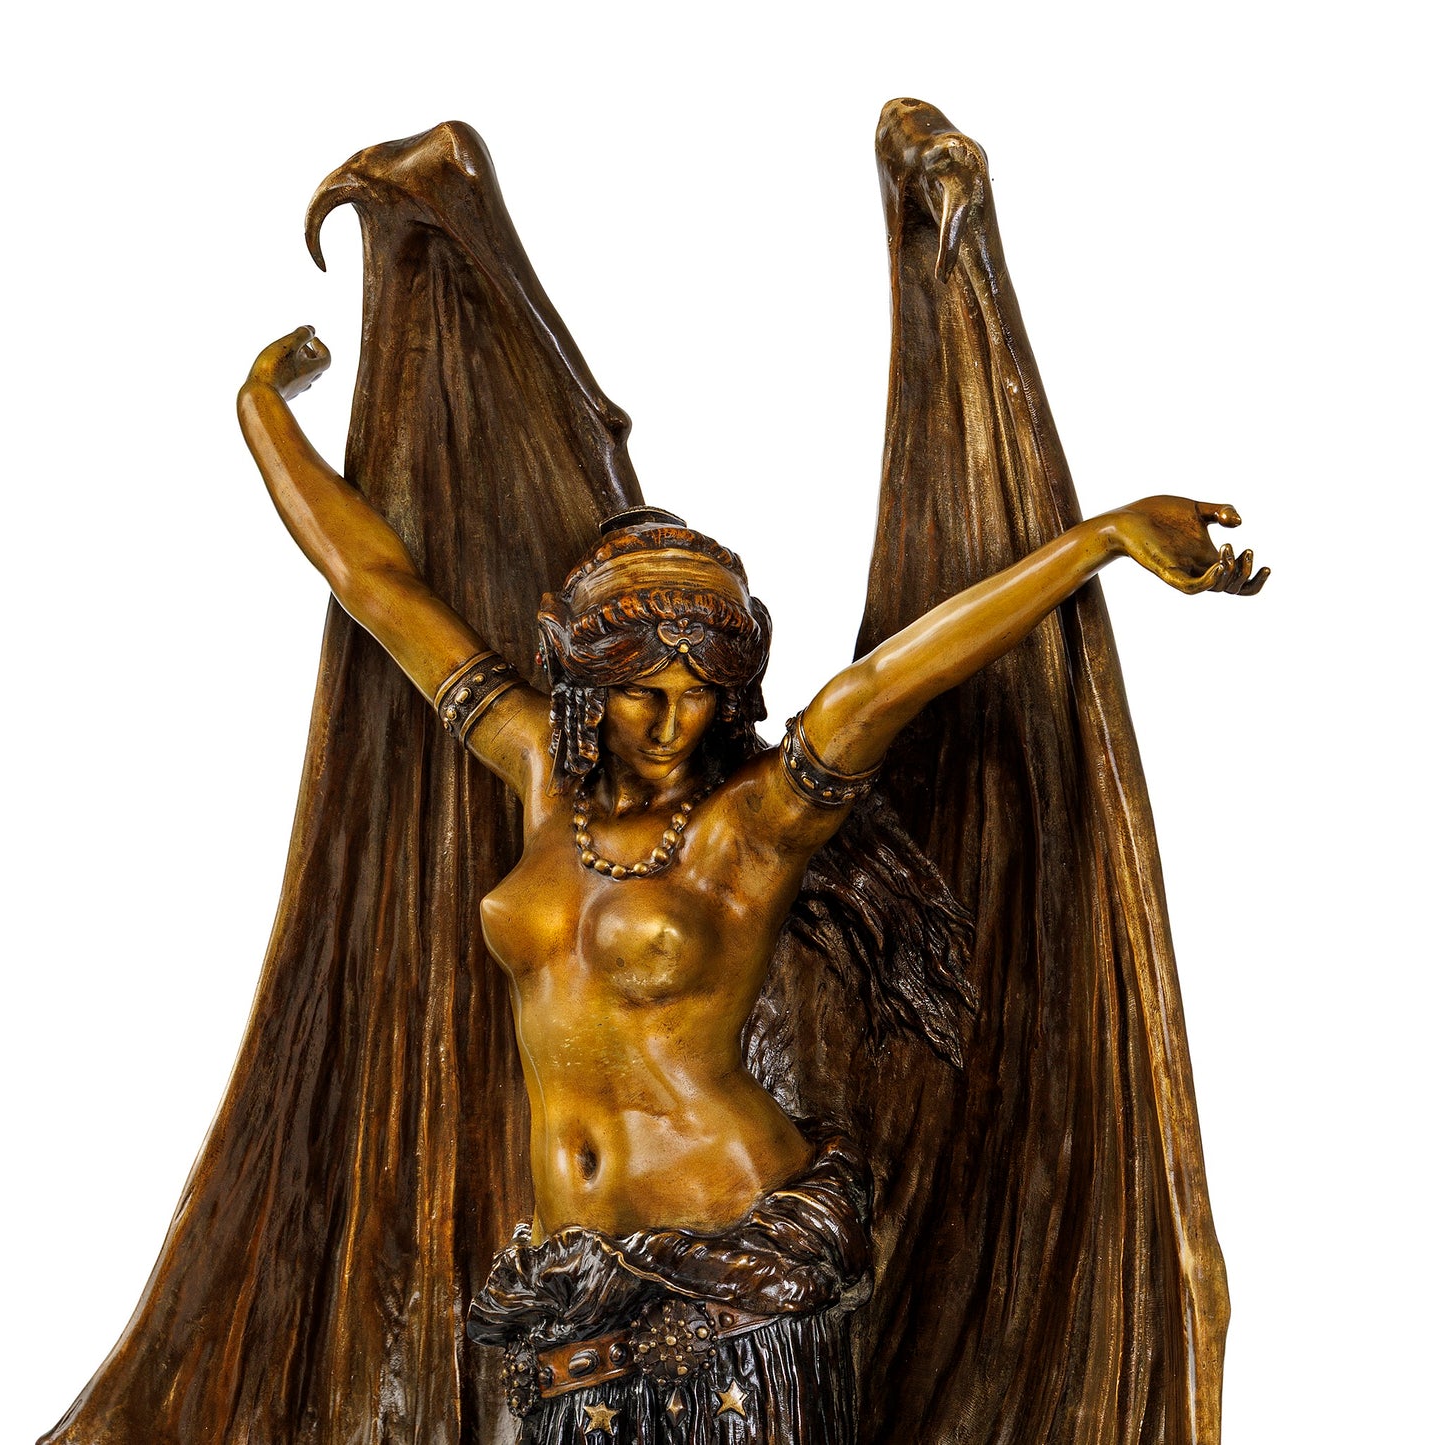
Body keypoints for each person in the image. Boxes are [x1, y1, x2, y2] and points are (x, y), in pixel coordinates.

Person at [235, 323, 1266, 1442]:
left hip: (741, 1275)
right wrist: (260, 409)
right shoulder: (537, 769)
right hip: (565, 1290)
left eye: (700, 693)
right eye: (640, 691)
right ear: (582, 681)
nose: (672, 722)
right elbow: (374, 580)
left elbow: (880, 687)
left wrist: (1099, 539)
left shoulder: (753, 823)